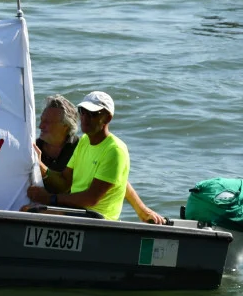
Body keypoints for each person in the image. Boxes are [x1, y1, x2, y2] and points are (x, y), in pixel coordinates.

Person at [28, 92, 166, 224]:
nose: (85, 118)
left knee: (29, 212)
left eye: (92, 114)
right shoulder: (84, 141)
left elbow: (92, 198)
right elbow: (65, 182)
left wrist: (50, 199)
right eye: (82, 112)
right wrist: (39, 165)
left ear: (107, 118)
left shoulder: (115, 150)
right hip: (76, 210)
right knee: (28, 209)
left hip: (96, 217)